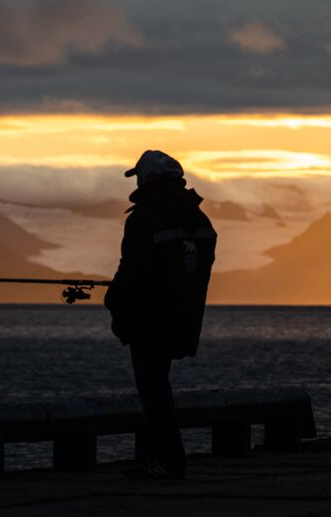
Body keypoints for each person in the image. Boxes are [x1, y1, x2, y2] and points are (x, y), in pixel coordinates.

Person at [104, 150, 217, 479]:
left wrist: (114, 302)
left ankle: (168, 462)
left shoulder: (143, 218)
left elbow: (133, 269)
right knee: (159, 387)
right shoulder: (198, 219)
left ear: (146, 179)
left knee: (153, 391)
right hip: (182, 319)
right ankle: (164, 459)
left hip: (148, 320)